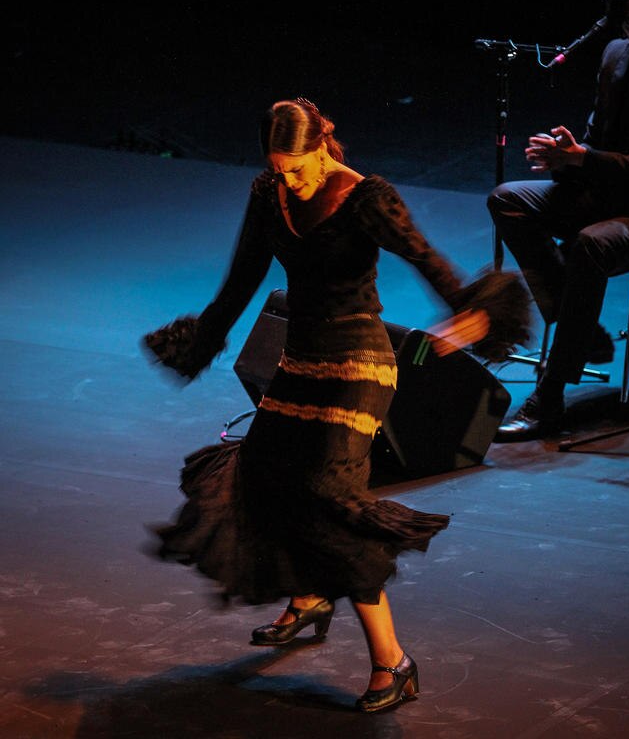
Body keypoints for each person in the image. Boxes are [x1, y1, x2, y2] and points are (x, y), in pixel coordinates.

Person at [143, 97, 530, 713]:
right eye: (278, 168)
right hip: (300, 361)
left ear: (322, 146)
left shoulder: (364, 196)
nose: (288, 180)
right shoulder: (269, 192)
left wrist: (473, 310)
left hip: (360, 367)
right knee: (265, 474)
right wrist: (201, 341)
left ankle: (392, 662)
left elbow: (425, 256)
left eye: (296, 168)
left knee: (329, 497)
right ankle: (310, 597)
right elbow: (241, 279)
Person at [488, 0, 629, 441]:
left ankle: (551, 395)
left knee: (590, 245)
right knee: (508, 199)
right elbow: (597, 136)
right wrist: (564, 155)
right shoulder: (616, 56)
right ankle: (583, 332)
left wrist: (587, 159)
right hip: (603, 192)